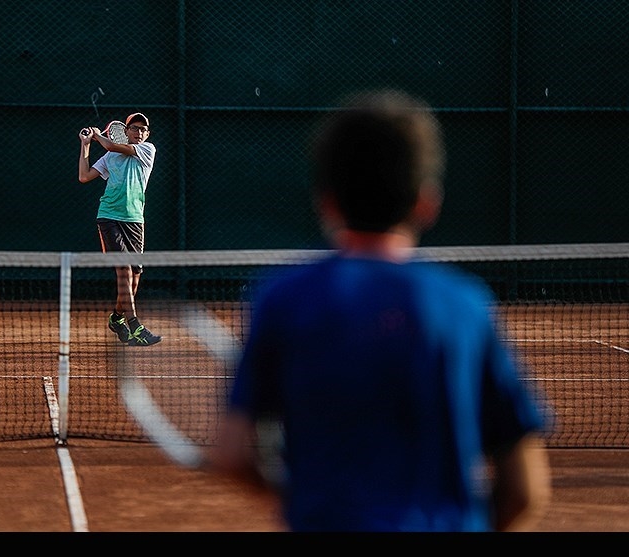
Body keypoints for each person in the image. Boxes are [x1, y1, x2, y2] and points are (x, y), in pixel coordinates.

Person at [210, 90, 552, 531]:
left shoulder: (282, 298)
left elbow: (232, 454)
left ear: (326, 201)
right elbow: (524, 491)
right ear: (427, 203)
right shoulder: (467, 304)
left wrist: (311, 502)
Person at [78, 112, 161, 346]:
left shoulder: (147, 150)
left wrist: (97, 137)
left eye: (143, 129)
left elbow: (114, 146)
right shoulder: (108, 157)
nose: (139, 133)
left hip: (135, 220)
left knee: (135, 277)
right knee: (123, 269)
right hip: (109, 216)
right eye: (134, 128)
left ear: (147, 134)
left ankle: (116, 318)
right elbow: (84, 176)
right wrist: (85, 146)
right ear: (126, 131)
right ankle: (135, 325)